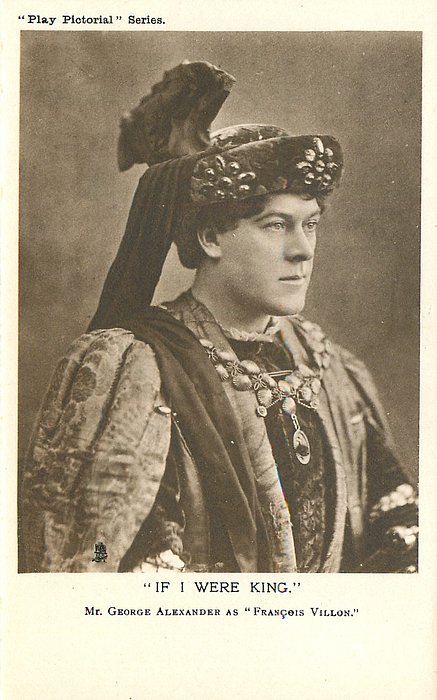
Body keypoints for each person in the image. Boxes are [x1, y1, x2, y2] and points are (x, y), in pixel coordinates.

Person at [20, 61, 418, 574]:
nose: (302, 250)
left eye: (311, 224)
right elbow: (109, 560)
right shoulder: (138, 372)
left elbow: (400, 513)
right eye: (276, 225)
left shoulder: (325, 366)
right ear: (210, 238)